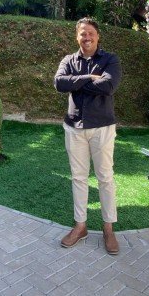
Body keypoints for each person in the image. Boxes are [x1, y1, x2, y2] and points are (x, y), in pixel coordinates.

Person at [54, 17, 122, 255]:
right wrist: (88, 78)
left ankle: (108, 228)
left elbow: (109, 86)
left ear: (97, 36)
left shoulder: (110, 59)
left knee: (105, 177)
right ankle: (80, 226)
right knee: (78, 178)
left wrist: (77, 84)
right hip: (74, 127)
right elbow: (59, 83)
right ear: (77, 36)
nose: (87, 37)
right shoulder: (68, 60)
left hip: (102, 128)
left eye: (91, 33)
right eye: (83, 33)